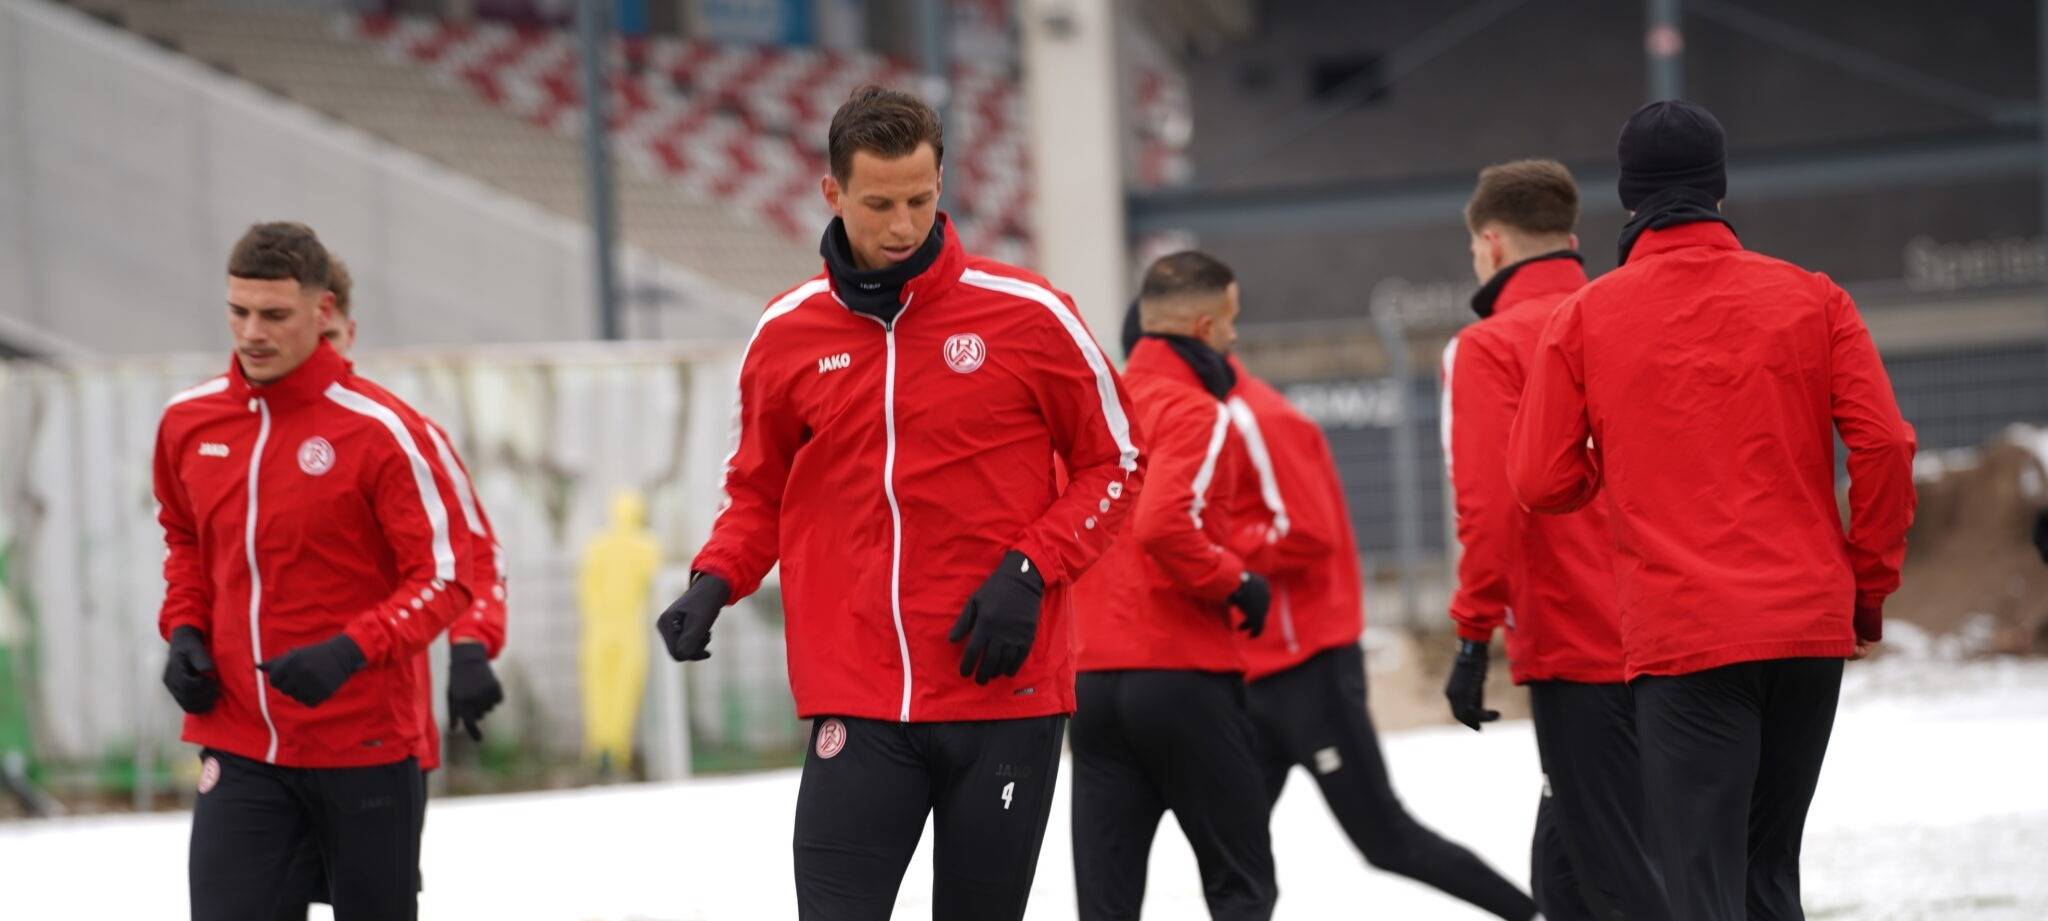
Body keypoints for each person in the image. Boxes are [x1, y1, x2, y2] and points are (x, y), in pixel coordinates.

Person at [652, 85, 1142, 921]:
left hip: (1003, 694)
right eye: (879, 203)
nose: (903, 224)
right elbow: (757, 490)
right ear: (833, 193)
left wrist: (1031, 569)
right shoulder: (786, 334)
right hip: (858, 692)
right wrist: (715, 579)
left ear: (942, 182)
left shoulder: (1029, 314)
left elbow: (1118, 461)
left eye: (920, 199)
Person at [1508, 101, 1917, 921]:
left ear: (1628, 197)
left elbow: (1539, 479)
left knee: (1703, 886)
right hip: (1805, 627)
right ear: (1719, 190)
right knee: (1769, 876)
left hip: (1687, 638)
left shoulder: (1585, 317)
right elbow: (1884, 447)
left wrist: (1610, 471)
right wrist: (1864, 587)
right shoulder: (1814, 298)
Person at [155, 222, 482, 920]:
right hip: (239, 740)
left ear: (323, 311)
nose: (251, 332)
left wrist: (350, 650)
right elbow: (183, 540)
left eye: (274, 314)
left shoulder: (385, 431)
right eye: (238, 312)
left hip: (364, 746)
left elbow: (450, 575)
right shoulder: (188, 422)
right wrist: (183, 628)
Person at [1440, 159, 1665, 921]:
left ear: (1493, 244)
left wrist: (1473, 634)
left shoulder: (1489, 347)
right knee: (1566, 875)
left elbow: (1491, 505)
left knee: (1616, 878)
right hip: (1671, 629)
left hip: (1577, 642)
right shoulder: (1632, 315)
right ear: (1569, 236)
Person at [270, 254, 511, 919]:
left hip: (378, 732)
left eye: (329, 341)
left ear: (346, 331)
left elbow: (473, 557)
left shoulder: (392, 437)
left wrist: (469, 647)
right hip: (264, 744)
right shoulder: (242, 436)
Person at [1071, 251, 1274, 921]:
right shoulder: (1197, 411)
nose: (1235, 339)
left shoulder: (1096, 406)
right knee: (1240, 886)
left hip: (1093, 680)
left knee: (1107, 902)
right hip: (1182, 672)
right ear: (1208, 324)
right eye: (1233, 323)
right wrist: (1237, 581)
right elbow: (1164, 525)